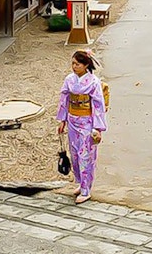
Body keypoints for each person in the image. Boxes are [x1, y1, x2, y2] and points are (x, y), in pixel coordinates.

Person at [57, 50, 108, 204]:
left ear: (86, 65)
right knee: (74, 154)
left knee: (85, 154)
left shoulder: (93, 82)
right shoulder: (69, 80)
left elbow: (98, 105)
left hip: (87, 122)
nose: (74, 66)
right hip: (72, 120)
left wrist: (98, 128)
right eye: (72, 63)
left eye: (77, 64)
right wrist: (62, 120)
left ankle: (86, 190)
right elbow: (64, 99)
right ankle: (80, 183)